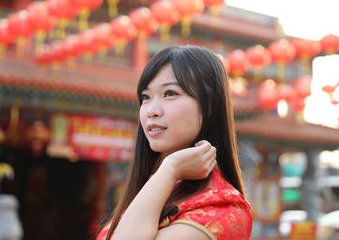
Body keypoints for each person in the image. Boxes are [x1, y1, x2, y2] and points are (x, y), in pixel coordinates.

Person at [97, 45, 252, 240]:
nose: (152, 110)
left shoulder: (222, 209)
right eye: (145, 97)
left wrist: (171, 168)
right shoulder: (155, 190)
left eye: (170, 93)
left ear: (210, 105)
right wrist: (168, 172)